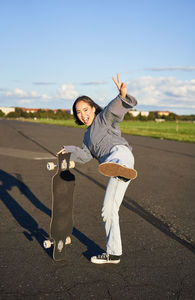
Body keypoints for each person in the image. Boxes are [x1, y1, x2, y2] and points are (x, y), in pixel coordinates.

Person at [57, 74, 137, 264]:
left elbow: (114, 110)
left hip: (122, 155)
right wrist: (68, 151)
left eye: (86, 109)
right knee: (107, 210)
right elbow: (84, 156)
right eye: (78, 112)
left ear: (93, 108)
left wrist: (122, 95)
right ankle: (113, 253)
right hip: (115, 169)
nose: (83, 114)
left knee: (116, 155)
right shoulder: (86, 138)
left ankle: (120, 168)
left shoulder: (104, 119)